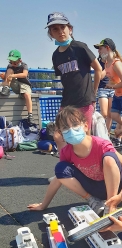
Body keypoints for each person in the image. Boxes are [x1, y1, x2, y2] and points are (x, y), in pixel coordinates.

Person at [27, 106, 122, 214]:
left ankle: (110, 206)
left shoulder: (102, 145)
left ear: (86, 126)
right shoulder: (67, 152)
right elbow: (59, 177)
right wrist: (43, 205)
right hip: (96, 190)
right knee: (60, 168)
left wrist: (120, 196)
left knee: (109, 160)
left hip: (117, 187)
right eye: (65, 128)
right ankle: (93, 200)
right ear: (61, 134)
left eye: (75, 125)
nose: (71, 131)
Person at [45, 12, 102, 151]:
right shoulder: (56, 55)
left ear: (69, 28)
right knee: (59, 135)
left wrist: (93, 94)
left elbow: (98, 69)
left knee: (84, 136)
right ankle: (67, 163)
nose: (60, 31)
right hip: (67, 101)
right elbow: (65, 78)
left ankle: (86, 168)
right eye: (55, 29)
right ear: (51, 33)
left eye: (62, 27)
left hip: (84, 100)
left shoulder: (80, 47)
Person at [94, 38, 122, 142]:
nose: (98, 51)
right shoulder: (107, 63)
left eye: (100, 48)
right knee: (114, 115)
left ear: (107, 48)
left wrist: (111, 87)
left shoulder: (116, 63)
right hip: (118, 93)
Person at [0, 50, 34, 125]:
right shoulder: (10, 66)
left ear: (20, 60)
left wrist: (13, 75)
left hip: (24, 84)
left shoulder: (24, 65)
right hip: (15, 85)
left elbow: (24, 74)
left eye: (14, 62)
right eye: (11, 62)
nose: (13, 64)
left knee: (27, 95)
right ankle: (6, 88)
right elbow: (8, 77)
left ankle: (30, 115)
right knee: (9, 70)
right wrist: (3, 77)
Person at [95, 54, 114, 132]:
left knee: (110, 114)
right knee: (104, 114)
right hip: (102, 89)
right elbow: (100, 77)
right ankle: (100, 131)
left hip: (112, 88)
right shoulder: (99, 63)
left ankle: (107, 133)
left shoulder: (113, 62)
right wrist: (107, 67)